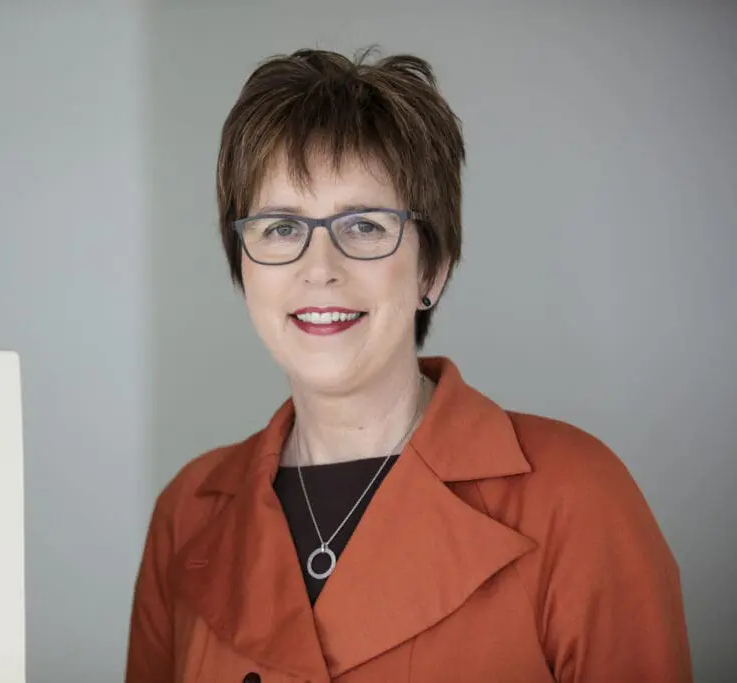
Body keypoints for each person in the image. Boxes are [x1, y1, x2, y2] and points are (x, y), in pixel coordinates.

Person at [125, 48, 692, 683]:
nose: (319, 268)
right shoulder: (187, 512)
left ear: (433, 269)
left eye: (365, 226)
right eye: (281, 227)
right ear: (243, 265)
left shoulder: (577, 496)